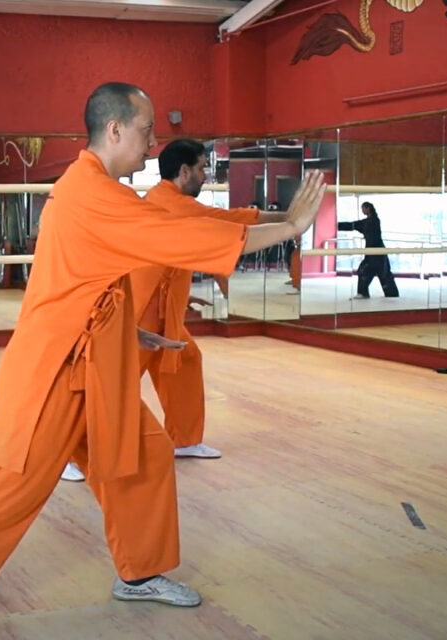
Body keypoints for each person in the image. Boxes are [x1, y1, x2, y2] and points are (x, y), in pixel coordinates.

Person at [0, 82, 325, 639]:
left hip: (96, 365)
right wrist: (289, 228)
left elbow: (81, 281)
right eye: (146, 130)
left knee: (143, 458)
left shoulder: (93, 189)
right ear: (115, 129)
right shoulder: (95, 194)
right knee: (2, 489)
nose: (153, 142)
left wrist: (130, 332)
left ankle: (140, 574)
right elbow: (184, 233)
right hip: (52, 374)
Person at [58, 139, 284, 484]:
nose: (206, 175)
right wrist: (289, 220)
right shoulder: (175, 205)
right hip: (135, 312)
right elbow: (230, 222)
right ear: (184, 172)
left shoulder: (169, 201)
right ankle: (70, 454)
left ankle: (184, 439)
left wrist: (184, 296)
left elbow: (168, 260)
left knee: (186, 362)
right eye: (202, 168)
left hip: (163, 312)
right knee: (110, 385)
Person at [338, 201, 399, 298]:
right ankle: (365, 293)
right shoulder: (367, 222)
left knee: (382, 273)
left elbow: (357, 225)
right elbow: (353, 225)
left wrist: (340, 225)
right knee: (367, 271)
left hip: (377, 252)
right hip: (373, 252)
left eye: (363, 208)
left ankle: (391, 294)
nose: (362, 210)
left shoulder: (373, 221)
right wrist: (337, 225)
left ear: (368, 208)